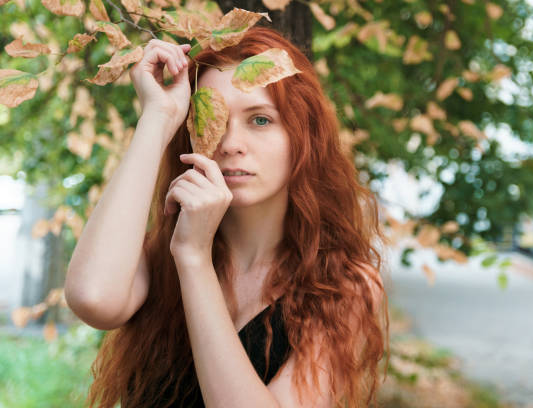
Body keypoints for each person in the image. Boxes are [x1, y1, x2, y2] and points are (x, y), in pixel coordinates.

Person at [65, 26, 389, 408]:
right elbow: (92, 297)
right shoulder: (160, 253)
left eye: (260, 120)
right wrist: (158, 117)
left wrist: (194, 258)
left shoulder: (342, 286)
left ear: (303, 135)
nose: (231, 144)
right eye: (212, 120)